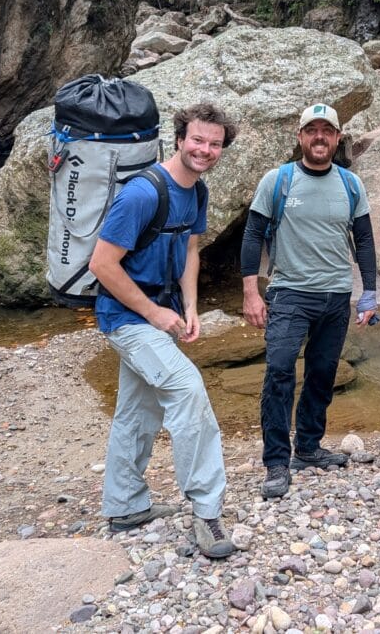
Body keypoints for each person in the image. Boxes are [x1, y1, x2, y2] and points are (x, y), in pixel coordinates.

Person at [88, 102, 238, 557]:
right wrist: (154, 315)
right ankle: (207, 512)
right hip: (126, 318)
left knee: (137, 412)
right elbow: (102, 264)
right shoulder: (142, 194)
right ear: (178, 139)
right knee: (187, 389)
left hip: (163, 312)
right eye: (198, 140)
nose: (205, 150)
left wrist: (191, 308)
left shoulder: (198, 192)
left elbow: (191, 251)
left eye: (214, 144)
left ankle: (126, 506)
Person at [241, 103, 378, 500]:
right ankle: (276, 463)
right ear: (300, 137)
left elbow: (364, 240)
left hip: (336, 295)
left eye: (327, 131)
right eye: (312, 130)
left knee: (321, 374)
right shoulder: (278, 180)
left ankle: (309, 447)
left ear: (337, 139)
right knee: (280, 372)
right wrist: (251, 291)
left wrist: (368, 293)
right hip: (289, 293)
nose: (320, 137)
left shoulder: (351, 185)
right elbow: (252, 236)